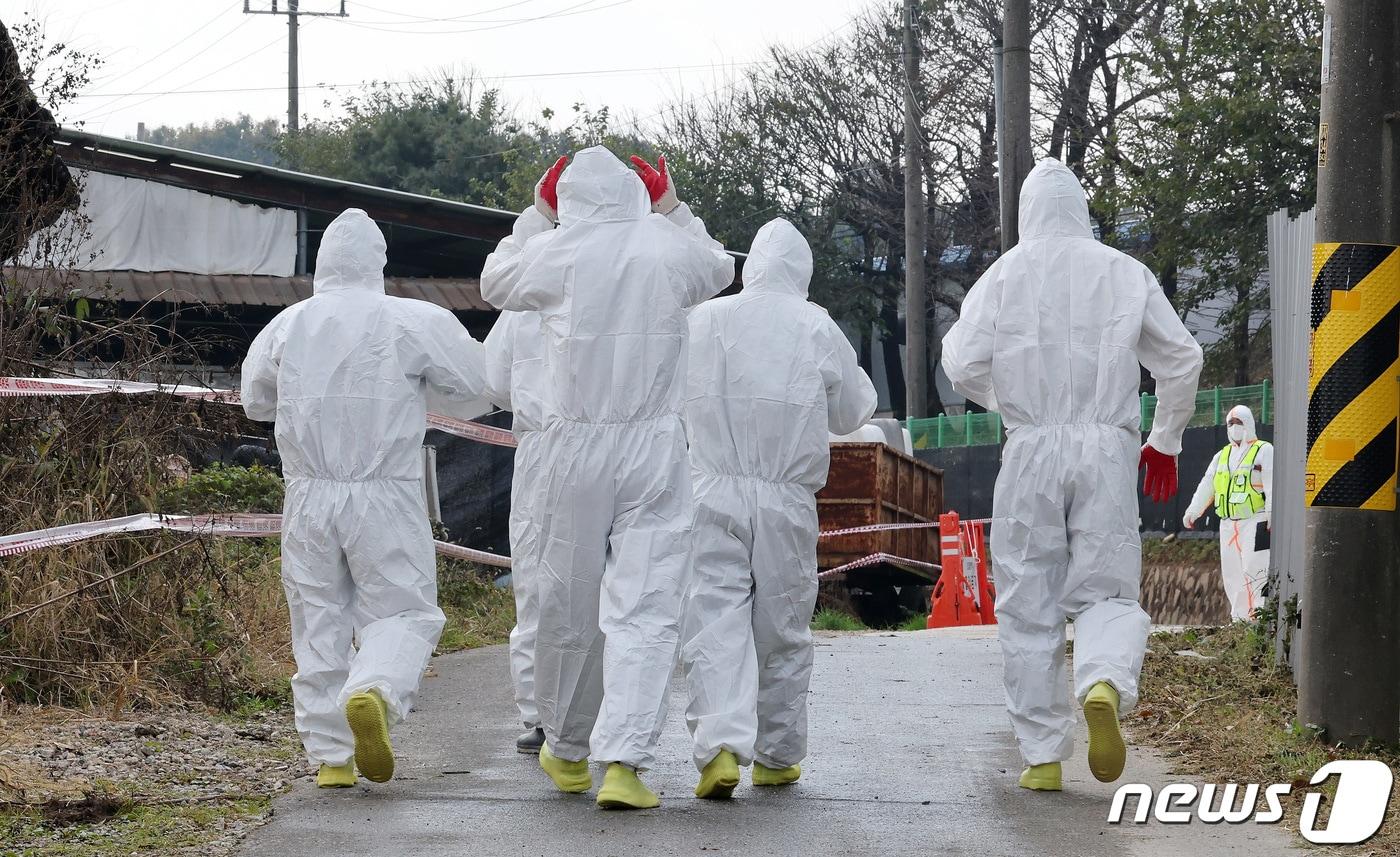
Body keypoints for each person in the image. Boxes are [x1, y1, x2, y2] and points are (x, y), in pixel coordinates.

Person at [480, 148, 734, 809]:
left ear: (566, 198)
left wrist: (537, 214)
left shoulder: (559, 249)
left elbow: (495, 281)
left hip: (571, 446)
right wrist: (673, 206)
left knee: (569, 602)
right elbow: (719, 267)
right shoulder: (663, 246)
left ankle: (565, 749)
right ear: (635, 191)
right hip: (653, 445)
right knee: (647, 605)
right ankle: (624, 759)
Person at [941, 159, 1202, 793]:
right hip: (1106, 448)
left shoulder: (1004, 276)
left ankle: (1042, 757)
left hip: (1030, 450)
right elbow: (1181, 358)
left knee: (1028, 599)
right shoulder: (1123, 271)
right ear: (1082, 210)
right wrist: (1163, 441)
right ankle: (1104, 680)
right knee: (1107, 590)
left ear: (1027, 214)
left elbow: (959, 362)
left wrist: (1012, 406)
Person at [240, 208, 489, 789]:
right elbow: (479, 386)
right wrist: (426, 394)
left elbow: (255, 400)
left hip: (308, 495)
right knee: (404, 611)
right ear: (378, 263)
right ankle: (374, 688)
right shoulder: (411, 319)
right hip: (385, 492)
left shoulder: (286, 325)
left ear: (322, 264)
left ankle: (330, 758)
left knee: (317, 620)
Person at [679, 218, 878, 799]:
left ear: (750, 268)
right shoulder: (814, 324)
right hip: (785, 499)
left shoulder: (704, 320)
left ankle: (717, 744)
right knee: (782, 625)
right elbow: (853, 412)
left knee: (713, 617)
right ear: (803, 273)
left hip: (709, 487)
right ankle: (775, 755)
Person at [482, 309, 551, 754]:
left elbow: (492, 381)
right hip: (635, 446)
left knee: (537, 587)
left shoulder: (525, 295)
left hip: (542, 450)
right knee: (625, 595)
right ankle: (615, 715)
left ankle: (542, 715)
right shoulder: (647, 267)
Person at [1183, 404, 1272, 620]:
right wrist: (1193, 510)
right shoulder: (1222, 456)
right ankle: (1240, 620)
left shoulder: (1264, 450)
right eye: (1230, 423)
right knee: (1233, 574)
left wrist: (1271, 513)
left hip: (1255, 519)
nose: (1234, 427)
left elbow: (1271, 483)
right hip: (1228, 523)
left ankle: (1260, 618)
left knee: (1256, 569)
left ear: (1248, 424)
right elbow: (1207, 485)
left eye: (1238, 423)